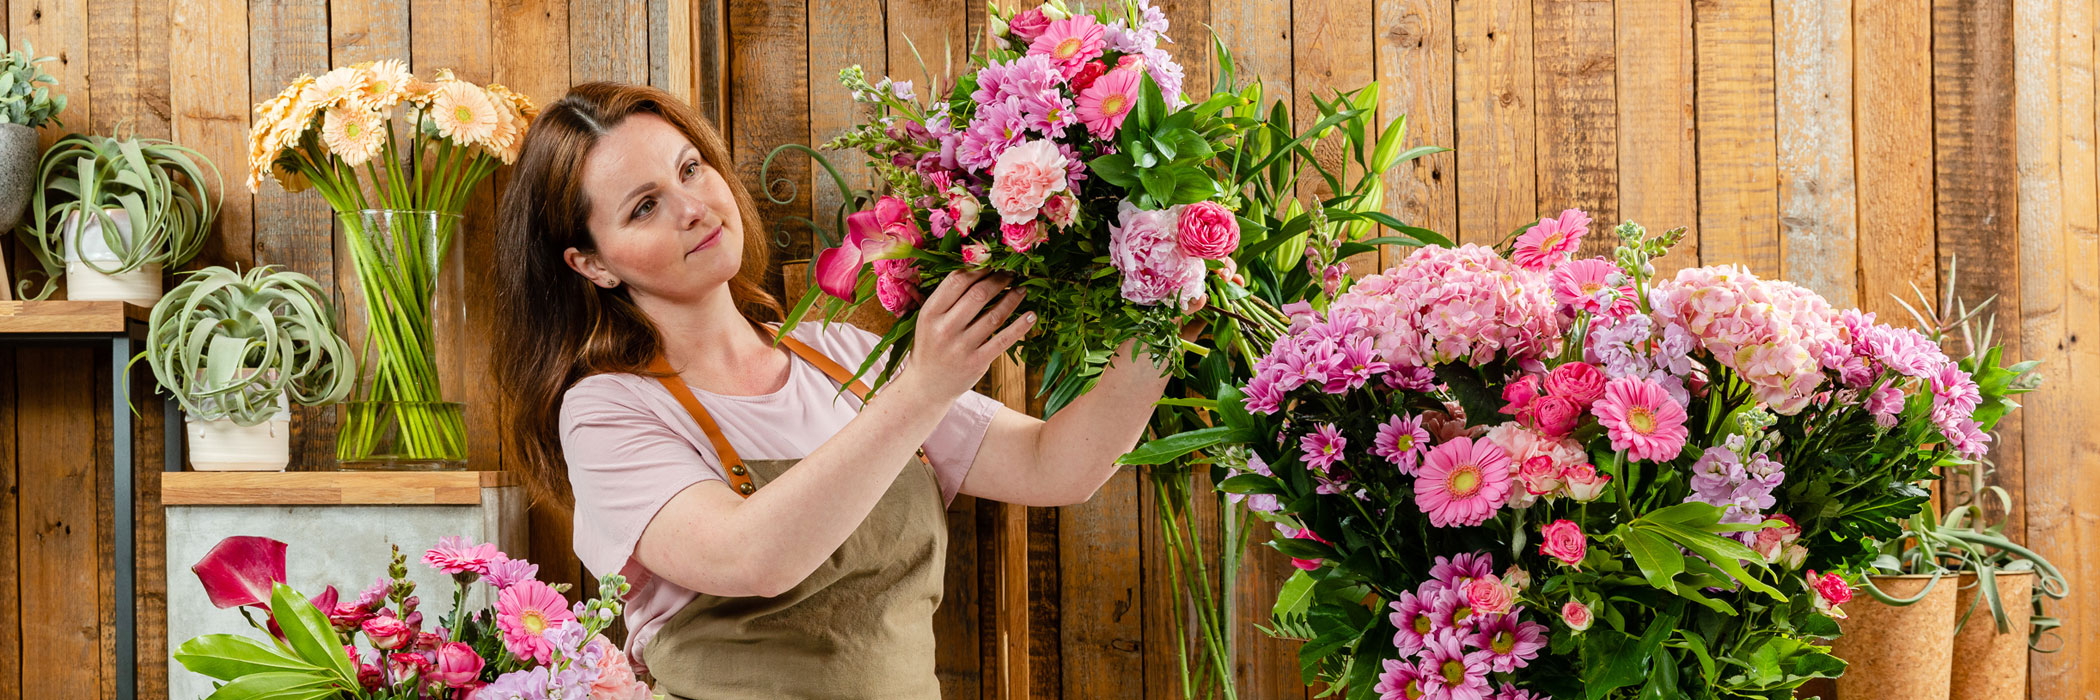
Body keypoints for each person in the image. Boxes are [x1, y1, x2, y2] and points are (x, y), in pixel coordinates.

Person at [494, 82, 1186, 698]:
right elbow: (751, 557)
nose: (695, 209)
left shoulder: (841, 355)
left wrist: (1168, 299)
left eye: (690, 170)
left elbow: (1056, 466)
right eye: (645, 206)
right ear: (592, 263)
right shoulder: (608, 410)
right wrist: (921, 391)